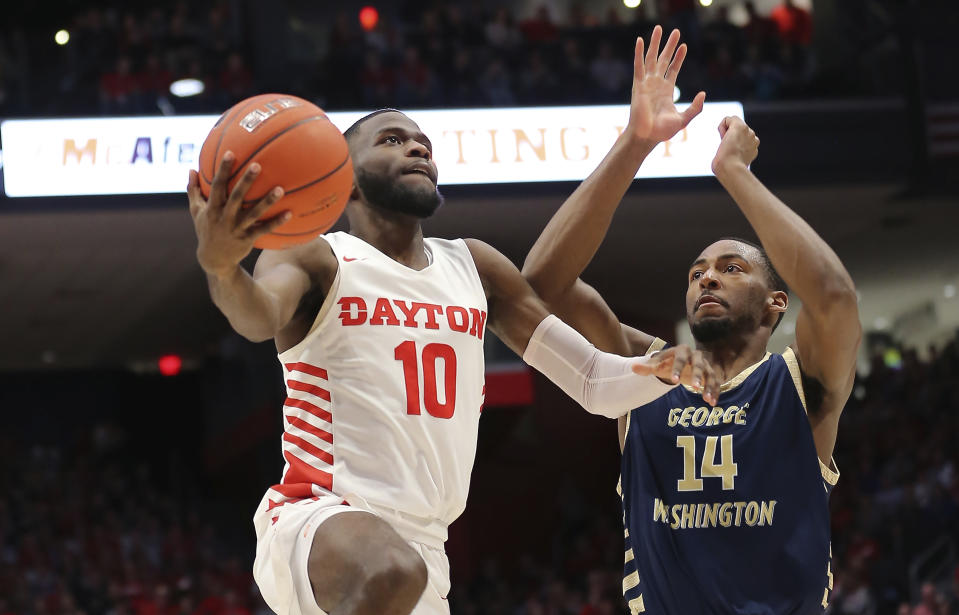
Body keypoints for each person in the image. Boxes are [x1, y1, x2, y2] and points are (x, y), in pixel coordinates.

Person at [186, 28, 715, 615]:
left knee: (401, 571)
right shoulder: (316, 255)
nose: (418, 149)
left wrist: (663, 365)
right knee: (390, 571)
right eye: (393, 140)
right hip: (317, 518)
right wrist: (222, 268)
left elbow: (591, 382)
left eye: (424, 144)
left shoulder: (475, 265)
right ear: (346, 179)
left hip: (424, 550)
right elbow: (256, 318)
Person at [522, 29, 861, 614]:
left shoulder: (801, 382)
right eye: (697, 271)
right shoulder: (646, 372)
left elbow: (832, 294)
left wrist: (734, 172)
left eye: (731, 268)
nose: (707, 278)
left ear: (776, 302)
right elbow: (541, 286)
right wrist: (635, 142)